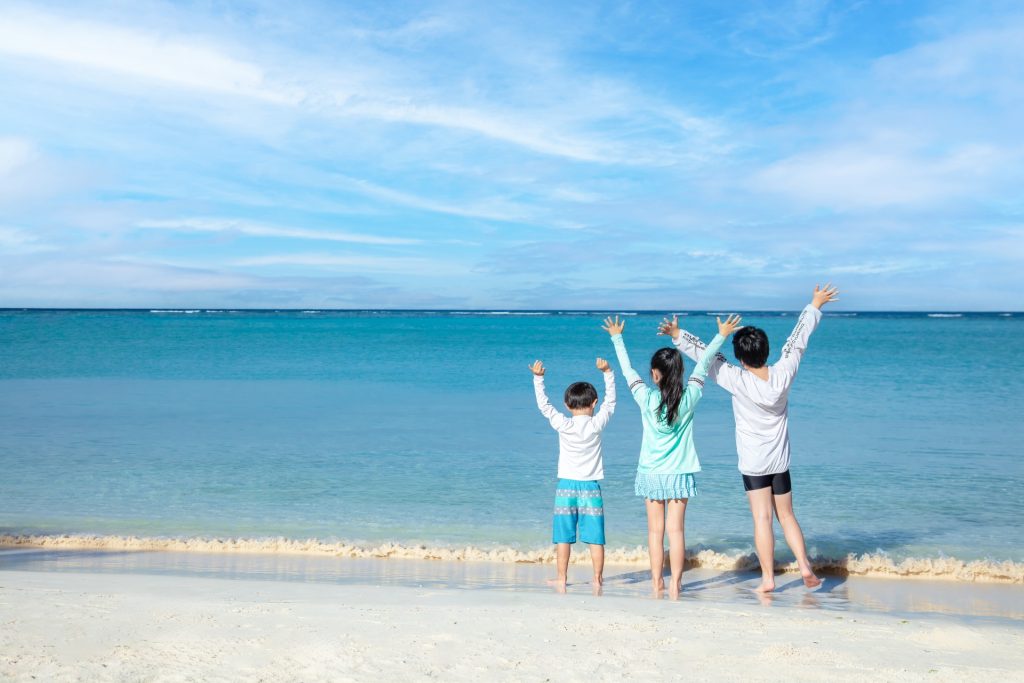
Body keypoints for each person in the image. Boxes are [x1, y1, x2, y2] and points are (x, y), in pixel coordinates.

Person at [659, 284, 840, 592]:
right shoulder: (783, 374)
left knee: (762, 519)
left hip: (754, 463)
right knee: (787, 515)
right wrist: (814, 305)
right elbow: (797, 341)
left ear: (741, 358)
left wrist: (679, 335)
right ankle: (806, 568)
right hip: (779, 460)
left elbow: (707, 358)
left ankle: (769, 579)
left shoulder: (736, 378)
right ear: (766, 352)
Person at [604, 313, 742, 598]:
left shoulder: (646, 398)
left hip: (651, 474)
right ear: (678, 372)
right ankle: (677, 585)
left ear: (655, 374)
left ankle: (657, 583)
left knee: (655, 533)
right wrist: (721, 335)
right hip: (679, 474)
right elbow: (704, 364)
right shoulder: (689, 397)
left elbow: (627, 370)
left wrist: (617, 337)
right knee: (676, 532)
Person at [530, 357, 616, 592]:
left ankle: (561, 578)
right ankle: (597, 579)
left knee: (563, 536)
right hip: (590, 488)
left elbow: (544, 406)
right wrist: (607, 372)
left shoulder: (564, 424)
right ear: (594, 403)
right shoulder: (596, 424)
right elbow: (611, 403)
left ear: (567, 406)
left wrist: (538, 379)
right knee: (596, 537)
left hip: (566, 487)